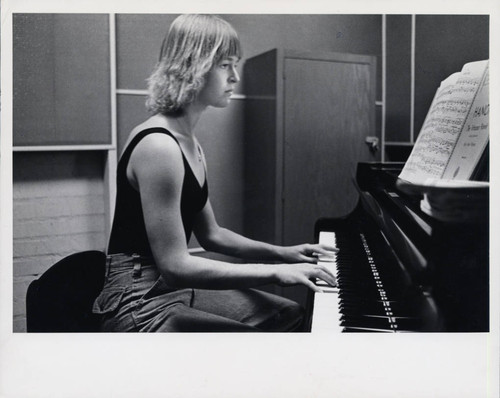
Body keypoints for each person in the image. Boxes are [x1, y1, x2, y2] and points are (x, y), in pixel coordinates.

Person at [92, 14, 337, 332]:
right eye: (225, 65)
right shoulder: (159, 146)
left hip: (170, 289)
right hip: (136, 301)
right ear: (193, 66)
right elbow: (176, 266)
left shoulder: (190, 144)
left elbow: (213, 235)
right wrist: (276, 273)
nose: (235, 77)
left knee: (289, 315)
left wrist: (285, 254)